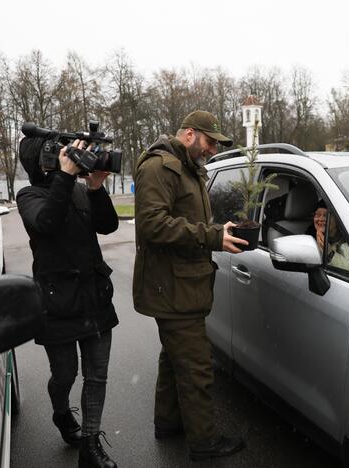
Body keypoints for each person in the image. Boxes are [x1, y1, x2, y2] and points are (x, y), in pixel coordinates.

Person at [133, 110, 248, 461]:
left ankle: (167, 423)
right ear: (189, 135)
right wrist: (211, 236)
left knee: (174, 358)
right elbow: (152, 225)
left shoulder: (189, 168)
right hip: (172, 287)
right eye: (210, 141)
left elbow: (188, 217)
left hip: (182, 285)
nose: (213, 149)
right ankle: (204, 442)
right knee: (197, 367)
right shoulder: (160, 167)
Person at [17, 137, 119, 468]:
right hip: (57, 303)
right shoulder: (28, 196)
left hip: (94, 298)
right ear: (38, 161)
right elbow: (46, 223)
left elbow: (108, 225)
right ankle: (62, 413)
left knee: (97, 375)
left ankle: (90, 445)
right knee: (65, 375)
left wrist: (96, 187)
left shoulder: (76, 189)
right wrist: (64, 176)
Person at [306, 200, 349, 272]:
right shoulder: (308, 240)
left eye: (326, 215)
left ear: (337, 220)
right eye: (317, 215)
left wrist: (330, 254)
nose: (320, 219)